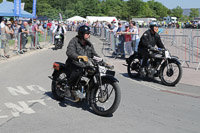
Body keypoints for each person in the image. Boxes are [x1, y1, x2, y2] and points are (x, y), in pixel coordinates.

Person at [65, 25, 101, 100]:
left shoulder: (89, 44)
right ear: (82, 34)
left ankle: (86, 90)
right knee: (79, 70)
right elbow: (69, 52)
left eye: (89, 33)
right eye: (87, 33)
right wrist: (79, 57)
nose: (89, 35)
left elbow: (93, 55)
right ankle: (68, 86)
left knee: (92, 72)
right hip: (73, 63)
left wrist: (102, 61)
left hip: (84, 65)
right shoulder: (74, 41)